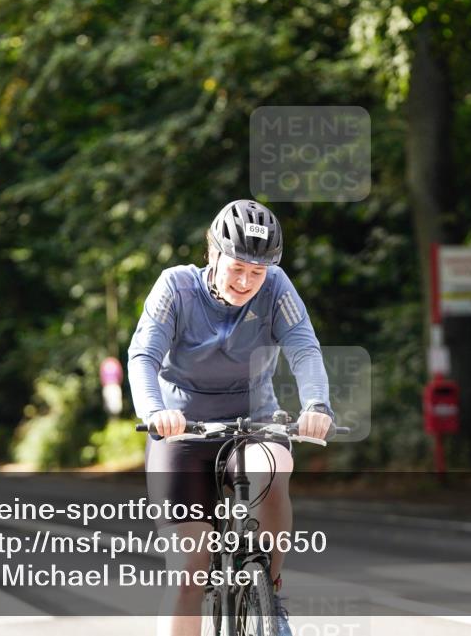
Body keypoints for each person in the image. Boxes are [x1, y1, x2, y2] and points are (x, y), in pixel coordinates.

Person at [128, 199, 334, 636]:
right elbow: (143, 355)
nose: (246, 281)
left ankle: (269, 590)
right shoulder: (176, 288)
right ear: (212, 253)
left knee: (276, 465)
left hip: (252, 421)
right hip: (181, 429)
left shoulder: (277, 287)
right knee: (189, 569)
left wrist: (316, 405)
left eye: (256, 272)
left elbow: (303, 347)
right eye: (237, 267)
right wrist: (155, 412)